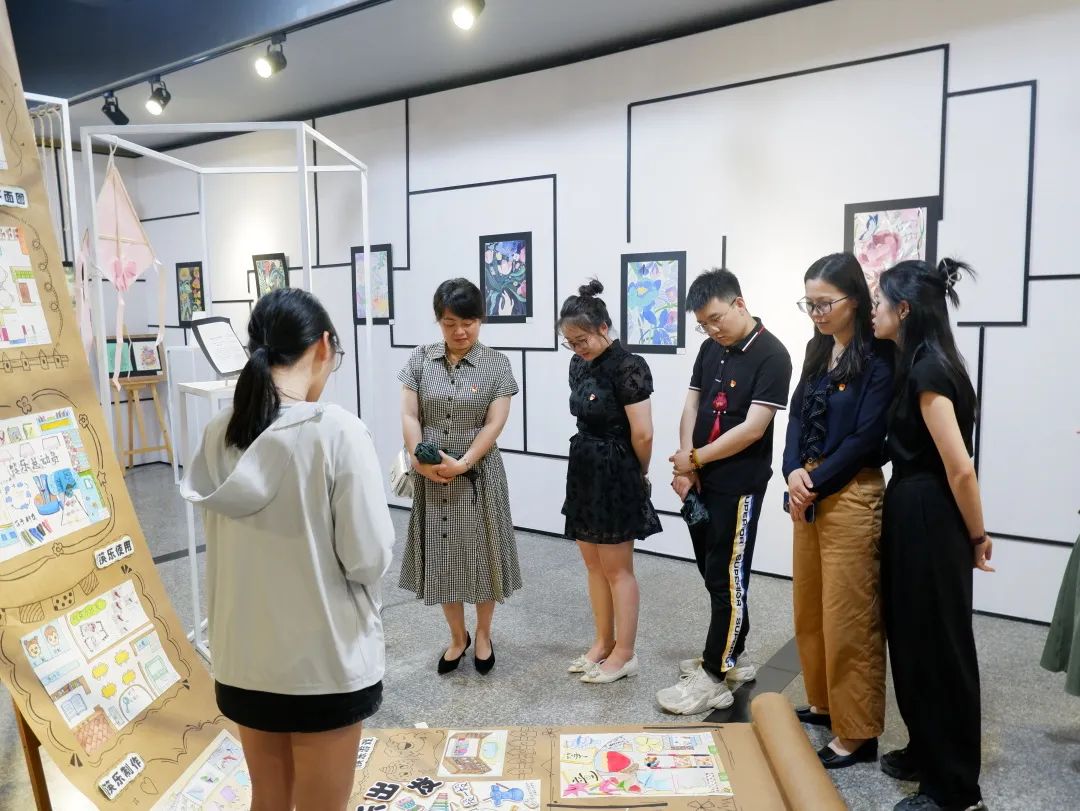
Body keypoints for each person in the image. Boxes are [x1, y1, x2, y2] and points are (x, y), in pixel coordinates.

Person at [181, 288, 395, 811]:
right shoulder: (337, 432)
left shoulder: (220, 430)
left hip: (244, 659)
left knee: (269, 799)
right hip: (325, 661)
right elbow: (367, 557)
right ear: (323, 346)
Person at [872, 258, 993, 811]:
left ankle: (955, 789)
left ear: (903, 309)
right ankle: (926, 750)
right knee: (913, 641)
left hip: (929, 516)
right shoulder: (921, 362)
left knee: (940, 649)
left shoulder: (929, 371)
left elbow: (960, 468)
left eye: (879, 302)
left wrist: (977, 535)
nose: (873, 311)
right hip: (914, 510)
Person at [659, 268, 792, 714]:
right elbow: (692, 403)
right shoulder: (710, 349)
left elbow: (753, 429)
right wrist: (686, 460)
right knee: (713, 570)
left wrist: (696, 459)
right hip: (700, 478)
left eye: (716, 319)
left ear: (739, 303)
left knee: (727, 576)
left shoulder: (773, 355)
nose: (712, 330)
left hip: (738, 484)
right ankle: (733, 654)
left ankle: (716, 674)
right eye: (704, 324)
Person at [781, 253, 893, 768]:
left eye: (825, 303)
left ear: (855, 299)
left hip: (851, 492)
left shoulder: (879, 355)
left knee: (850, 616)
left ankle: (857, 733)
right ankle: (825, 703)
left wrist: (813, 482)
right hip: (807, 491)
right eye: (810, 303)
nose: (817, 313)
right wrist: (792, 472)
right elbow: (796, 417)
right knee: (809, 607)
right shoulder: (817, 347)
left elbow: (867, 437)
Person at [398, 278, 522, 675]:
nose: (460, 331)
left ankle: (483, 634)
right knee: (442, 556)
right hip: (432, 473)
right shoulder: (419, 359)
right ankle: (457, 637)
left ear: (480, 320)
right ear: (439, 321)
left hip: (478, 474)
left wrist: (464, 463)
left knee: (483, 556)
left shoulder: (497, 364)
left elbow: (494, 423)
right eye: (450, 323)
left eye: (468, 322)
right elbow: (410, 414)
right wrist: (419, 459)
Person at [559, 279, 661, 684]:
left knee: (618, 569)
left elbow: (644, 434)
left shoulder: (629, 366)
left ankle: (625, 652)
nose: (577, 348)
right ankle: (603, 642)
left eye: (582, 340)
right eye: (570, 342)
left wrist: (640, 472)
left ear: (603, 327)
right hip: (584, 467)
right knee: (593, 565)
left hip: (617, 469)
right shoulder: (578, 364)